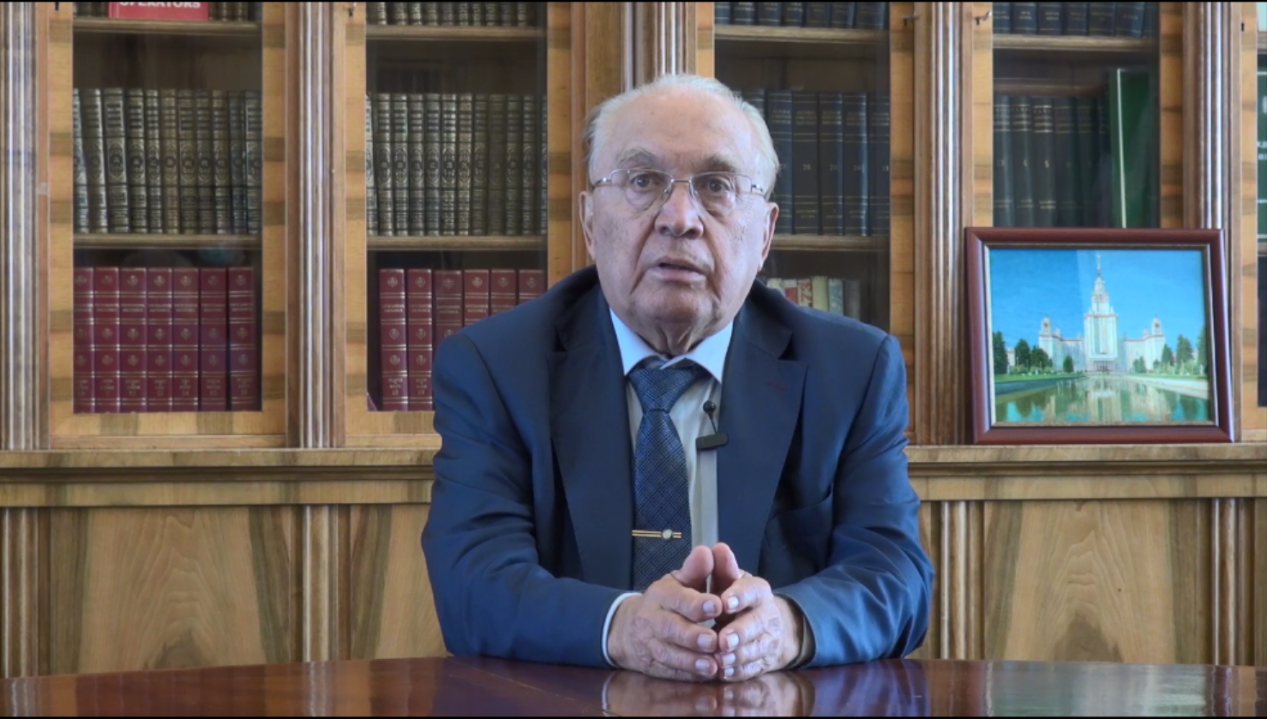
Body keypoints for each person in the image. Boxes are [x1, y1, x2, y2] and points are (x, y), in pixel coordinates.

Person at [422, 73, 933, 683]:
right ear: (590, 222)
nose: (680, 218)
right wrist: (624, 627)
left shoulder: (851, 369)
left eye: (716, 186)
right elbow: (472, 585)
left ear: (764, 234)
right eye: (643, 181)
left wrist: (789, 626)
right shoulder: (495, 365)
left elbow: (894, 578)